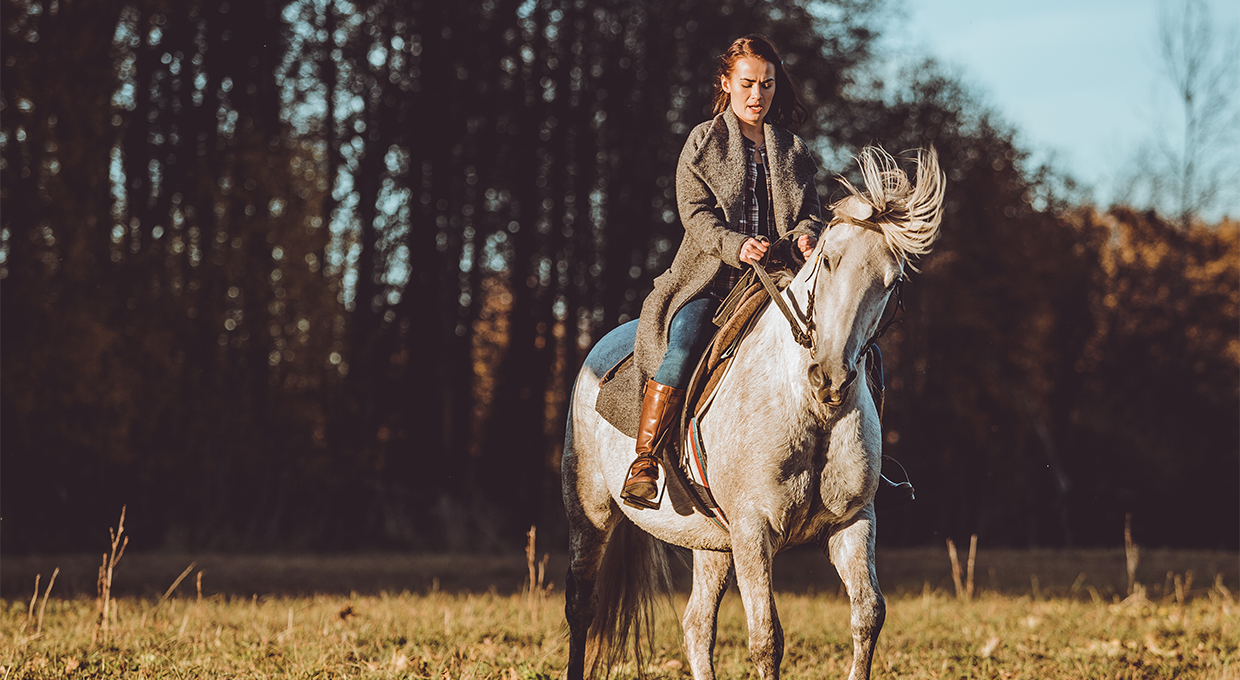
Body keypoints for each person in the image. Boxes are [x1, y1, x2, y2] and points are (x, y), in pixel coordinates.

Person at [622, 34, 825, 504]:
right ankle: (646, 460)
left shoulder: (792, 148)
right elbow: (694, 216)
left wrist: (806, 235)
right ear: (726, 82)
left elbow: (810, 212)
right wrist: (737, 245)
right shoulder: (703, 140)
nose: (759, 96)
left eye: (768, 85)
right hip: (712, 284)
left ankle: (862, 469)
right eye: (749, 84)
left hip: (780, 284)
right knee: (682, 348)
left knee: (845, 343)